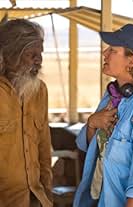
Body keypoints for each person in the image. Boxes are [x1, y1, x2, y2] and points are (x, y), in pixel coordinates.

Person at [73, 23, 133, 207]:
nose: (105, 53)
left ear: (132, 60)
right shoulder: (112, 94)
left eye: (113, 50)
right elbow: (90, 148)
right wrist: (92, 124)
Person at [0, 19, 52, 207]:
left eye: (40, 54)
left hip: (36, 199)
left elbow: (44, 148)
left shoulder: (40, 90)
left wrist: (47, 193)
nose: (39, 60)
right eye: (31, 54)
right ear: (9, 54)